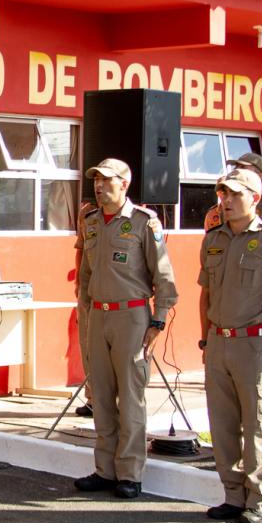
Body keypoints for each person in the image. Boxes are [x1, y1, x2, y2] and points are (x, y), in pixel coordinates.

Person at [198, 169, 262, 523]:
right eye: (222, 194)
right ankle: (233, 495)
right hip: (219, 344)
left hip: (253, 345)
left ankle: (261, 498)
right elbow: (205, 293)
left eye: (234, 195)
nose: (225, 201)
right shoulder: (214, 239)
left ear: (255, 198)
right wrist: (205, 338)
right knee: (223, 425)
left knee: (255, 424)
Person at [74, 158, 178, 499]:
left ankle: (130, 473)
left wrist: (158, 320)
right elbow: (86, 273)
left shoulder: (143, 223)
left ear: (124, 184)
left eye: (106, 181)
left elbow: (163, 276)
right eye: (96, 181)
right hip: (98, 316)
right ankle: (105, 470)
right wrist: (85, 309)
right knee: (101, 397)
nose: (99, 186)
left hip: (132, 317)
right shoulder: (90, 222)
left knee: (131, 398)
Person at [203, 153, 262, 258]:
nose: (237, 170)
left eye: (243, 167)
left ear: (260, 175)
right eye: (236, 166)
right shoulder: (222, 208)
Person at [73, 199, 97, 417]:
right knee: (87, 344)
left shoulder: (138, 217)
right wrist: (79, 283)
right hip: (89, 291)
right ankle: (92, 398)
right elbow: (81, 248)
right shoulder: (87, 213)